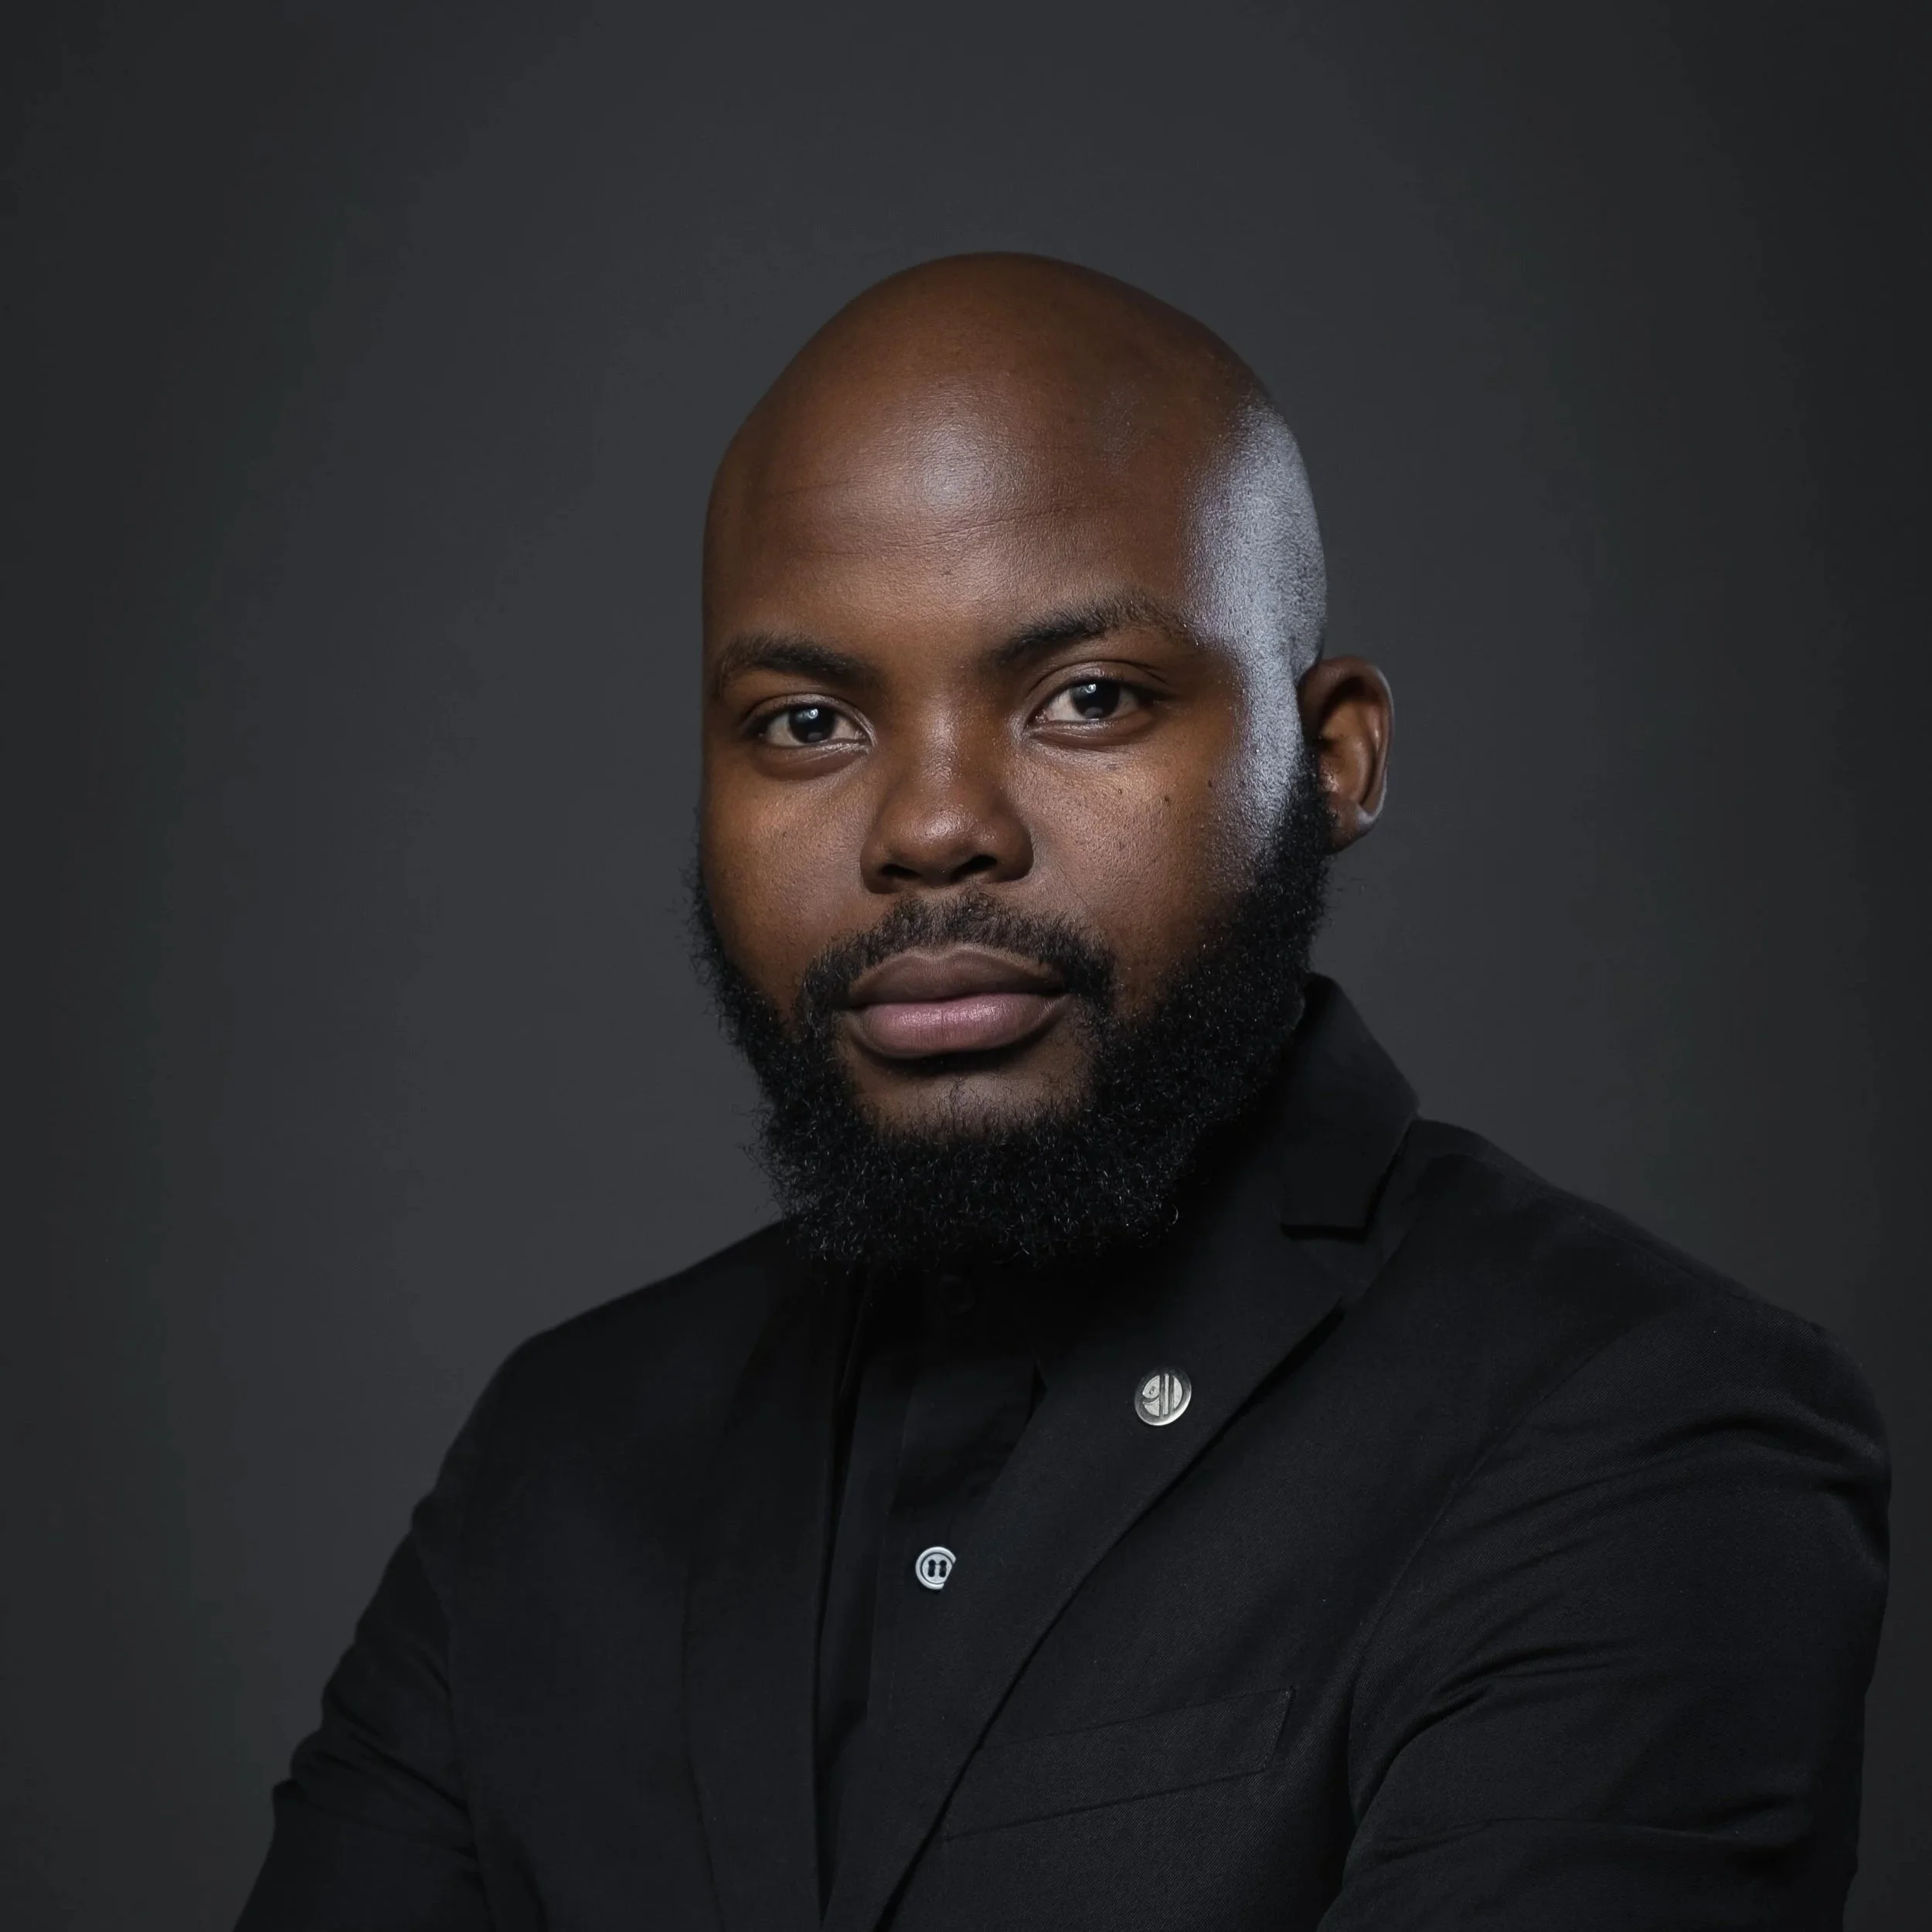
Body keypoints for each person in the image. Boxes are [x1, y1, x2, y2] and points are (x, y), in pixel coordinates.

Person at [236, 254, 1887, 1932]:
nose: (929, 825)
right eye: (806, 719)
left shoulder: (1636, 1431)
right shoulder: (559, 1456)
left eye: (1084, 697)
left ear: (1331, 761)